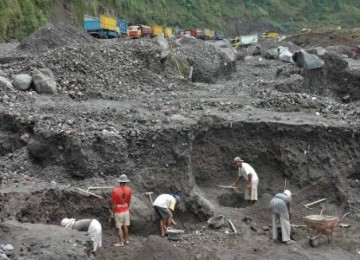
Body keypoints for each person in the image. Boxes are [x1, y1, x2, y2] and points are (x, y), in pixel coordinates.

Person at [111, 174, 132, 247]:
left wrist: (112, 212)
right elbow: (129, 201)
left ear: (119, 182)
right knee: (125, 226)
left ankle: (121, 242)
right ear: (126, 182)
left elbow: (114, 203)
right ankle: (126, 240)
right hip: (126, 209)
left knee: (119, 227)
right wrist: (127, 208)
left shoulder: (115, 191)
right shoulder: (129, 189)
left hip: (118, 211)